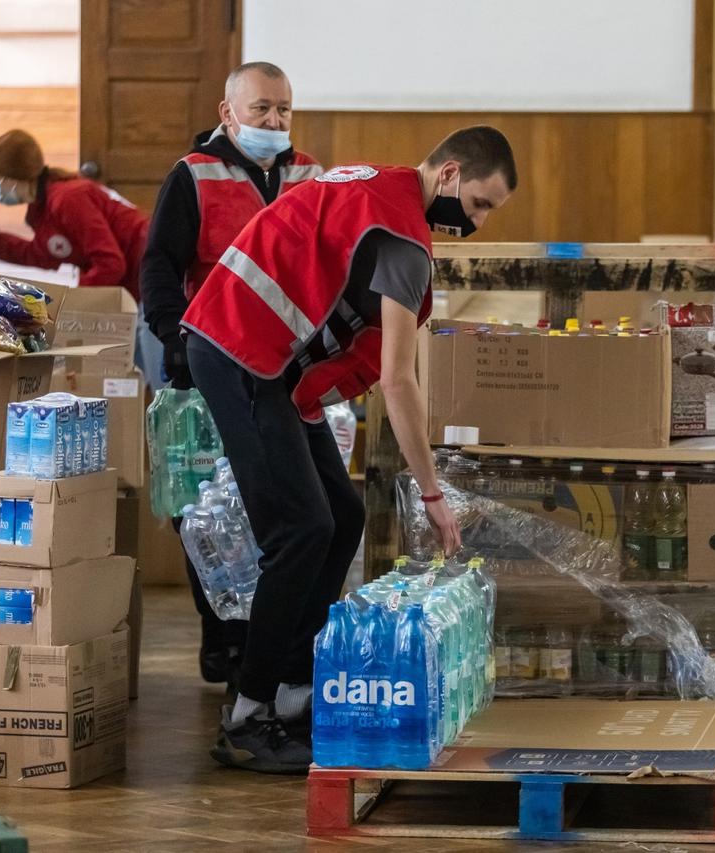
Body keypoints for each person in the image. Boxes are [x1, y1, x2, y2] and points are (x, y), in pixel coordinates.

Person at [181, 126, 515, 773]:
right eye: (478, 204)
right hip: (237, 347)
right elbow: (397, 378)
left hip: (265, 355)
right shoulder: (404, 242)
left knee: (343, 515)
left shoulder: (378, 186)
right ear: (448, 174)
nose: (474, 224)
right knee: (301, 529)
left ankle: (295, 689)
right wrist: (434, 492)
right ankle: (249, 715)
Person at [140, 61, 321, 694]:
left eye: (284, 110)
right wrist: (172, 338)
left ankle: (266, 640)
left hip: (283, 368)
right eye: (261, 109)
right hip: (209, 359)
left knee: (271, 505)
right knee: (207, 508)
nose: (275, 121)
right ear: (228, 113)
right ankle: (223, 635)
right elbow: (160, 264)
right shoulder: (194, 176)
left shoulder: (308, 176)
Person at [0, 129, 148, 296]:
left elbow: (110, 264)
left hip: (148, 273)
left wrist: (72, 300)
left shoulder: (67, 199)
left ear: (13, 177)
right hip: (139, 279)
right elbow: (42, 254)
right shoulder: (44, 209)